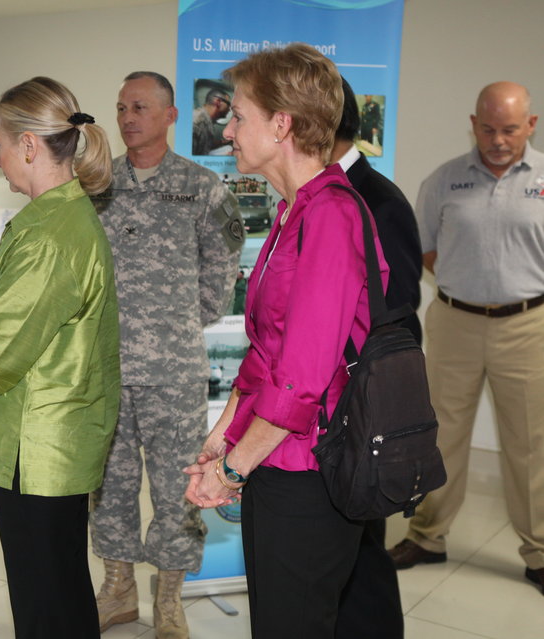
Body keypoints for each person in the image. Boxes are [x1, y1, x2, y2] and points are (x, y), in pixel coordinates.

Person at [183, 43, 390, 638]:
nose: (227, 128)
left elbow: (302, 376)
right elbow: (265, 355)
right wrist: (222, 438)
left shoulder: (330, 215)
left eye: (239, 115)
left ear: (282, 124)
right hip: (276, 457)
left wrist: (234, 469)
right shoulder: (294, 211)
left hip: (309, 472)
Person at [0, 76, 120, 638]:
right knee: (58, 586)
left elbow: (3, 343)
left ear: (30, 146)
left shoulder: (52, 233)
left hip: (37, 444)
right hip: (48, 437)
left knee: (46, 597)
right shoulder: (59, 218)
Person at [90, 70, 244, 639]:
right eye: (121, 106)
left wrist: (167, 326)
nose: (128, 117)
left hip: (173, 371)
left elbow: (218, 285)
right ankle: (118, 588)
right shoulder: (96, 188)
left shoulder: (204, 189)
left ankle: (171, 597)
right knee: (108, 485)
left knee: (180, 487)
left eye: (141, 106)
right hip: (104, 370)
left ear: (172, 115)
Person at [389, 81, 544, 596]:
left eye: (510, 129)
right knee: (441, 435)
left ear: (531, 125)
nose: (498, 140)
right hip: (456, 320)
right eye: (489, 129)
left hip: (528, 327)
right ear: (473, 124)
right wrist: (471, 281)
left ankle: (539, 551)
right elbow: (426, 250)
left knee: (529, 444)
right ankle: (428, 537)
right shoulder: (445, 180)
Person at [329, 76, 422, 639]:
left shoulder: (378, 200)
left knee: (363, 554)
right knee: (338, 556)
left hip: (360, 410)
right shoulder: (315, 196)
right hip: (328, 412)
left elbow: (396, 317)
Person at [193, 88, 231, 155]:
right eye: (228, 104)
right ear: (218, 102)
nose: (229, 110)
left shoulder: (208, 121)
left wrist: (222, 142)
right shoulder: (196, 122)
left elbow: (205, 144)